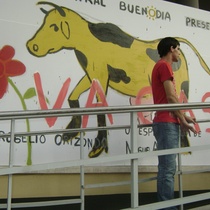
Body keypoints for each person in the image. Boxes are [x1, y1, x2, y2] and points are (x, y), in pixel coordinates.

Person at [151, 37, 197, 210]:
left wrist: (183, 116)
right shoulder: (164, 65)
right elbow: (170, 98)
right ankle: (167, 207)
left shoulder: (163, 66)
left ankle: (168, 206)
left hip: (167, 121)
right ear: (172, 48)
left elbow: (168, 99)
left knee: (168, 168)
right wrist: (182, 119)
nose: (179, 53)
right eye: (178, 49)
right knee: (167, 169)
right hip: (166, 123)